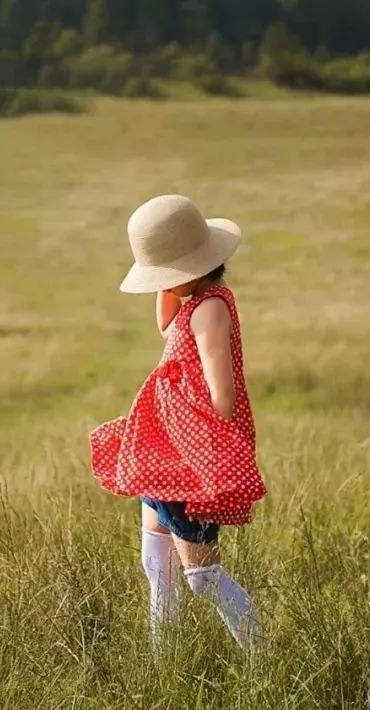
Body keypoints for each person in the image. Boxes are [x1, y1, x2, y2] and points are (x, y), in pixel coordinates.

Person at [89, 194, 268, 651]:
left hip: (190, 456)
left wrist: (215, 454)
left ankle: (262, 658)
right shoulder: (191, 301)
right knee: (157, 564)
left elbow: (221, 383)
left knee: (201, 576)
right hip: (162, 450)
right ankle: (162, 663)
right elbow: (166, 326)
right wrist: (169, 276)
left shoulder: (210, 308)